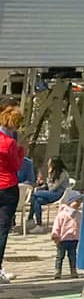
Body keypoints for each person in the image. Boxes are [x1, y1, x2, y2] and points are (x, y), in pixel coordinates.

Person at [0, 105, 25, 283]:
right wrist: (22, 151)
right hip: (8, 187)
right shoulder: (10, 144)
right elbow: (16, 166)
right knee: (2, 230)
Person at [50, 189, 83, 279]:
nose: (78, 204)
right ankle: (57, 271)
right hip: (62, 239)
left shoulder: (79, 215)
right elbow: (57, 225)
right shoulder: (62, 214)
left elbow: (81, 225)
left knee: (73, 256)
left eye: (80, 202)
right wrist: (55, 235)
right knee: (60, 256)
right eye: (76, 201)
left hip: (74, 239)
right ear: (70, 202)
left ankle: (73, 270)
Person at [29, 156, 69, 227]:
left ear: (54, 164)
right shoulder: (55, 172)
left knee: (34, 195)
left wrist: (49, 176)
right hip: (52, 193)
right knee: (37, 201)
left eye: (49, 162)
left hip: (58, 194)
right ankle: (39, 224)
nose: (48, 163)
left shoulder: (63, 174)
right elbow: (49, 186)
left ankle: (30, 219)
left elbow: (52, 188)